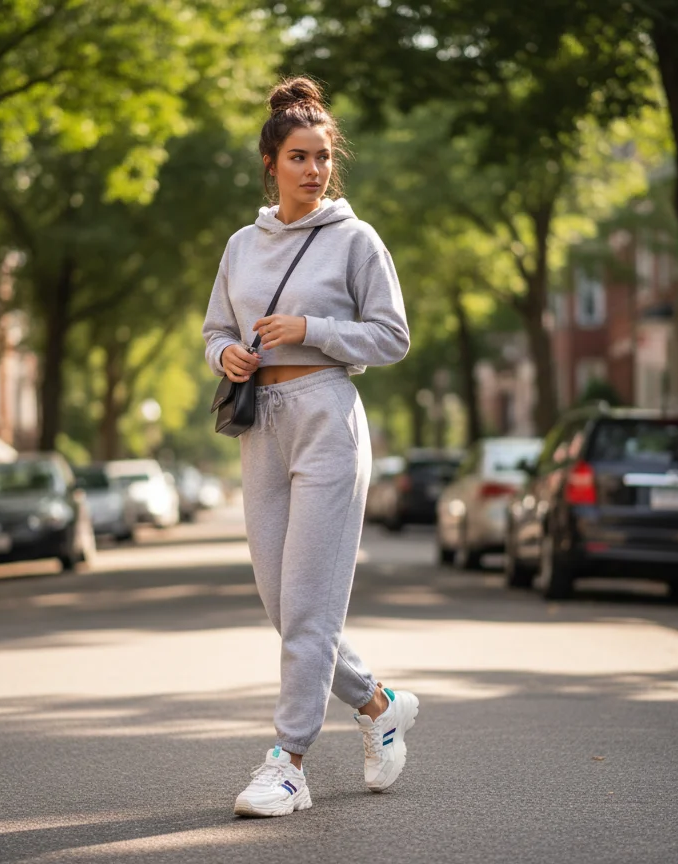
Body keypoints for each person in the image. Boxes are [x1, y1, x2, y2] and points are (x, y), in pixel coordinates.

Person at [202, 76, 418, 818]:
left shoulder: (356, 240)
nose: (313, 169)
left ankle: (288, 762)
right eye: (298, 157)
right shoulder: (240, 245)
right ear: (271, 162)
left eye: (323, 157)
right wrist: (226, 355)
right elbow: (213, 330)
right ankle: (379, 703)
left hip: (328, 417)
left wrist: (310, 330)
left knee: (310, 608)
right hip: (262, 425)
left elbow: (393, 336)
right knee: (284, 604)